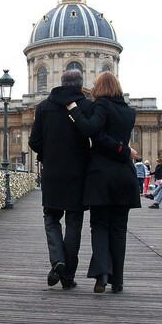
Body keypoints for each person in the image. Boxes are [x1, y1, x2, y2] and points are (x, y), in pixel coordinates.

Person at [66, 71, 140, 294]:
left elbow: (93, 131)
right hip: (125, 177)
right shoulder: (129, 111)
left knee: (99, 226)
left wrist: (74, 110)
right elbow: (118, 139)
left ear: (100, 87)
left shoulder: (101, 106)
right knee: (119, 230)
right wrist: (125, 150)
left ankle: (102, 276)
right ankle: (118, 281)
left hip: (102, 175)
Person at [28, 69, 91, 290]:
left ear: (61, 82)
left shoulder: (44, 107)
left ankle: (58, 261)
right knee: (74, 224)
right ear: (81, 85)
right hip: (78, 175)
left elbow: (34, 142)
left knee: (51, 219)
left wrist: (49, 157)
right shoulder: (86, 107)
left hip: (53, 174)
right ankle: (68, 277)